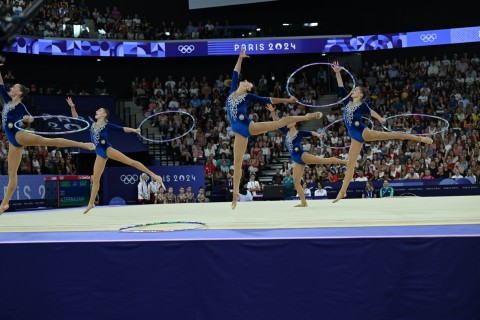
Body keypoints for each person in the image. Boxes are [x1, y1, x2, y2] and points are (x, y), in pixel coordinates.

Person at [227, 47, 322, 209]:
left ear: (248, 87)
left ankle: (307, 117)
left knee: (281, 122)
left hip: (248, 127)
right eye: (245, 80)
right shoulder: (233, 88)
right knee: (236, 164)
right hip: (239, 134)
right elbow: (235, 70)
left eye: (248, 82)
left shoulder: (249, 96)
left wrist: (287, 100)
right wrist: (241, 58)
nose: (246, 81)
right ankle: (235, 195)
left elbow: (268, 99)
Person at [331, 61, 433, 203]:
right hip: (354, 138)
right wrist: (337, 72)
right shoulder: (347, 102)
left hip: (363, 132)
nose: (353, 91)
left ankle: (421, 139)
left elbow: (371, 112)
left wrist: (380, 118)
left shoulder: (362, 105)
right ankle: (342, 192)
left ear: (360, 95)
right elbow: (340, 86)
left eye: (356, 90)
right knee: (350, 165)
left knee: (393, 135)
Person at [0, 67, 95, 215]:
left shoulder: (20, 106)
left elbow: (30, 118)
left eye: (14, 87)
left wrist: (27, 119)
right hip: (13, 143)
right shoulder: (7, 100)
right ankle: (3, 205)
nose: (10, 87)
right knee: (12, 175)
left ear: (19, 93)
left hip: (18, 135)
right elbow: (0, 84)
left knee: (49, 141)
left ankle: (82, 144)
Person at [67, 97, 163, 213]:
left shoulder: (107, 125)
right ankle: (91, 204)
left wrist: (134, 130)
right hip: (99, 153)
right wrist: (73, 107)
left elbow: (122, 129)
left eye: (99, 110)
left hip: (107, 149)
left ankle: (155, 176)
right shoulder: (92, 125)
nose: (97, 111)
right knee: (95, 179)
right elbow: (77, 118)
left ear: (104, 115)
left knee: (130, 162)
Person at [267, 104, 349, 207]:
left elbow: (311, 132)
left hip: (302, 156)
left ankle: (346, 162)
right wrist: (272, 112)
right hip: (297, 160)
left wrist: (318, 135)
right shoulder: (286, 131)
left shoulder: (300, 133)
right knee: (296, 182)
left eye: (289, 121)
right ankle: (303, 202)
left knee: (324, 161)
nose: (287, 122)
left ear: (294, 122)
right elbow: (277, 123)